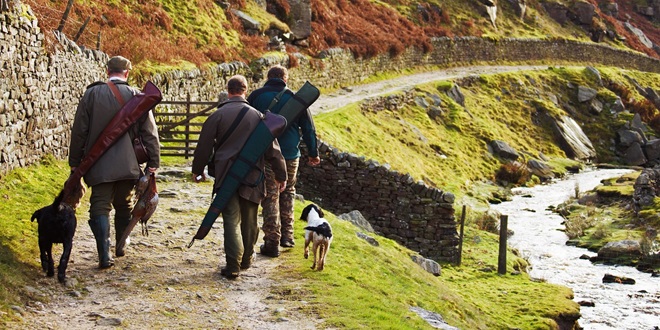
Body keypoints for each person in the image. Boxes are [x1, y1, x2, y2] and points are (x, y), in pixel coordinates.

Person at [69, 55, 160, 268]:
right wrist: (153, 162)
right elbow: (150, 133)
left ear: (107, 70)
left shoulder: (91, 94)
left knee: (99, 207)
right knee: (124, 204)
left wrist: (75, 163)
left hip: (98, 164)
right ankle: (121, 243)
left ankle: (104, 254)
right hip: (129, 165)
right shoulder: (137, 96)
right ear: (127, 73)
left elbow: (79, 131)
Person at [192, 75, 287, 279]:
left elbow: (204, 146)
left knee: (231, 220)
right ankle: (246, 259)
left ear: (228, 90)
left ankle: (233, 265)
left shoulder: (217, 115)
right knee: (250, 220)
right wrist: (282, 175)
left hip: (226, 175)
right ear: (245, 90)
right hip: (252, 176)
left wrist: (198, 170)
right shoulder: (258, 117)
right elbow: (273, 150)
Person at [247, 65, 321, 257]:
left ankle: (272, 241)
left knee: (271, 194)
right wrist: (313, 153)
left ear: (268, 77)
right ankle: (287, 236)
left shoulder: (255, 97)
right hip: (290, 155)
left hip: (266, 154)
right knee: (288, 192)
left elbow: (246, 122)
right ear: (285, 79)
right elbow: (309, 129)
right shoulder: (296, 99)